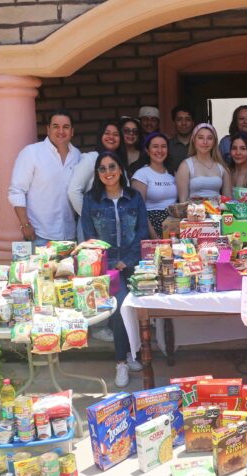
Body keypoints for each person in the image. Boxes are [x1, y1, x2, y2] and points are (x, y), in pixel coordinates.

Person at [81, 150, 149, 386]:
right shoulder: (91, 199)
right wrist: (110, 262)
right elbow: (90, 236)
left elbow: (142, 231)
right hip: (107, 266)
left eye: (112, 167)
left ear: (120, 170)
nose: (108, 172)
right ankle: (121, 362)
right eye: (102, 169)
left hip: (134, 262)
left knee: (134, 310)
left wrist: (127, 260)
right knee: (120, 308)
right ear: (97, 174)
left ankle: (131, 352)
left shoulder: (134, 197)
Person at [9, 109, 81, 246]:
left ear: (72, 131)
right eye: (55, 126)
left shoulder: (77, 155)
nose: (61, 131)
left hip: (70, 236)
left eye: (66, 127)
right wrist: (25, 225)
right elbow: (16, 191)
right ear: (48, 129)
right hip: (40, 235)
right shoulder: (31, 153)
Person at [67, 119, 125, 238]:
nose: (111, 137)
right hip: (92, 228)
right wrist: (91, 218)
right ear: (100, 136)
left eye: (116, 134)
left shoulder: (121, 162)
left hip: (118, 227)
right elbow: (73, 191)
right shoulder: (91, 158)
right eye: (107, 133)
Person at [132, 133, 177, 239]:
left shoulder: (172, 173)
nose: (160, 150)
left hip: (173, 228)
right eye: (155, 146)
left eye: (163, 146)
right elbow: (139, 209)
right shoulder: (141, 174)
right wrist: (154, 237)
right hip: (151, 228)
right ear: (147, 150)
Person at [177, 123, 232, 201]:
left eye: (209, 138)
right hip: (194, 211)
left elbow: (228, 199)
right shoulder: (185, 166)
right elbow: (183, 200)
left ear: (214, 142)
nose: (205, 142)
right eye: (200, 138)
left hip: (216, 211)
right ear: (193, 140)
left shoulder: (222, 167)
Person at [167, 105, 195, 174]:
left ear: (193, 123)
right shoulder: (166, 145)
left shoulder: (201, 145)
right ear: (174, 122)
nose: (184, 123)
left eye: (188, 119)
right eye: (179, 119)